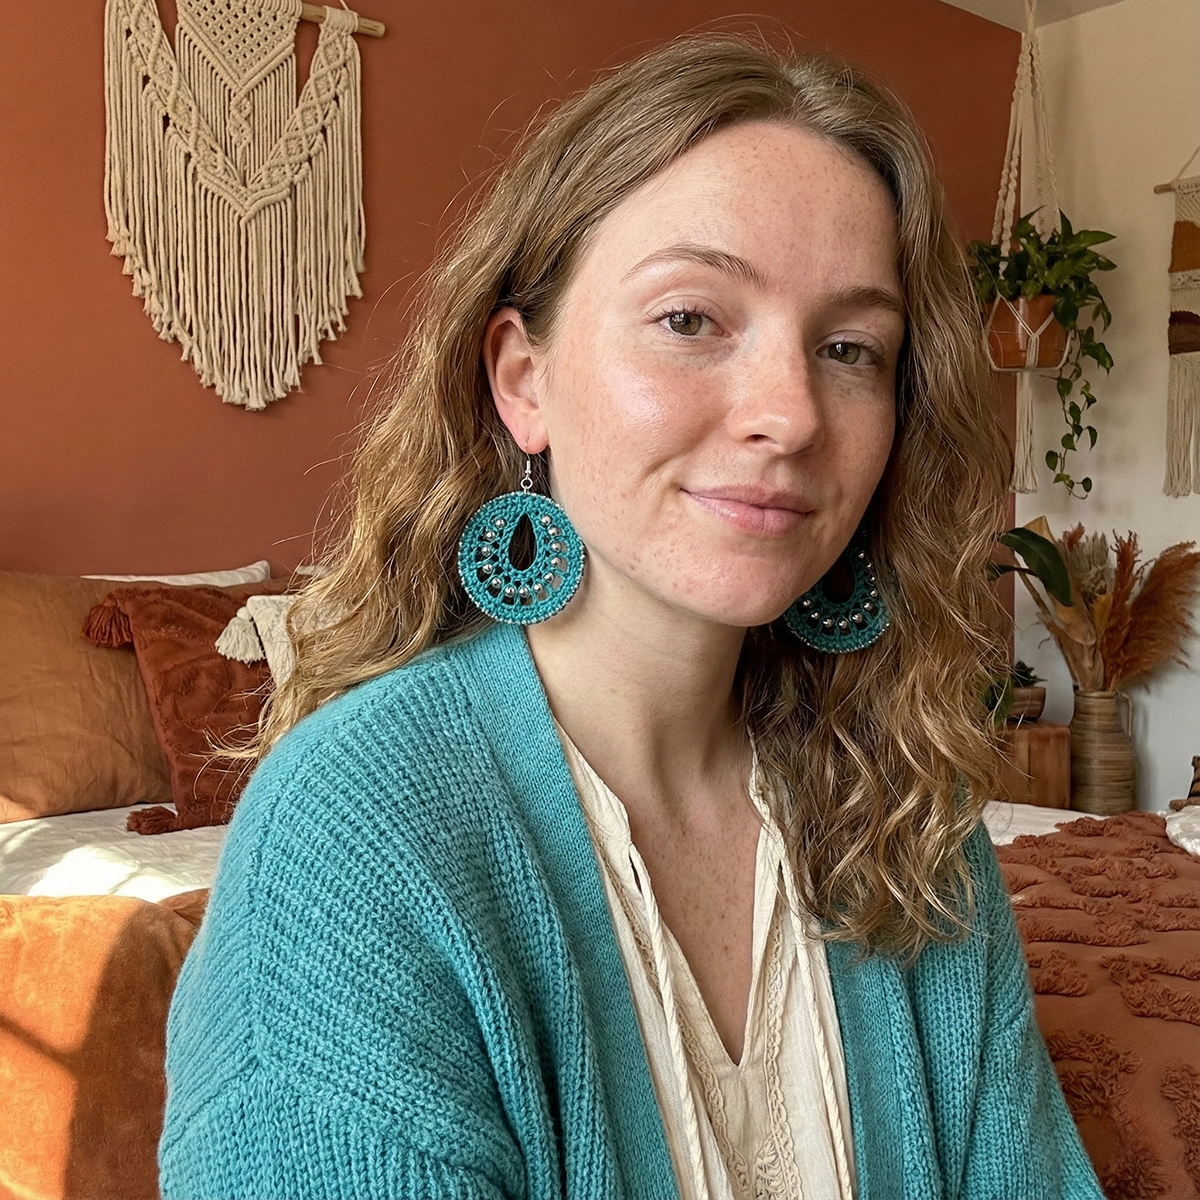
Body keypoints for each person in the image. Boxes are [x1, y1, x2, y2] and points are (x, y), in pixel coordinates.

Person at [159, 35, 1103, 1200]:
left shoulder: (907, 803)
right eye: (692, 319)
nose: (790, 414)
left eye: (849, 348)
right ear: (523, 380)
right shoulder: (355, 828)